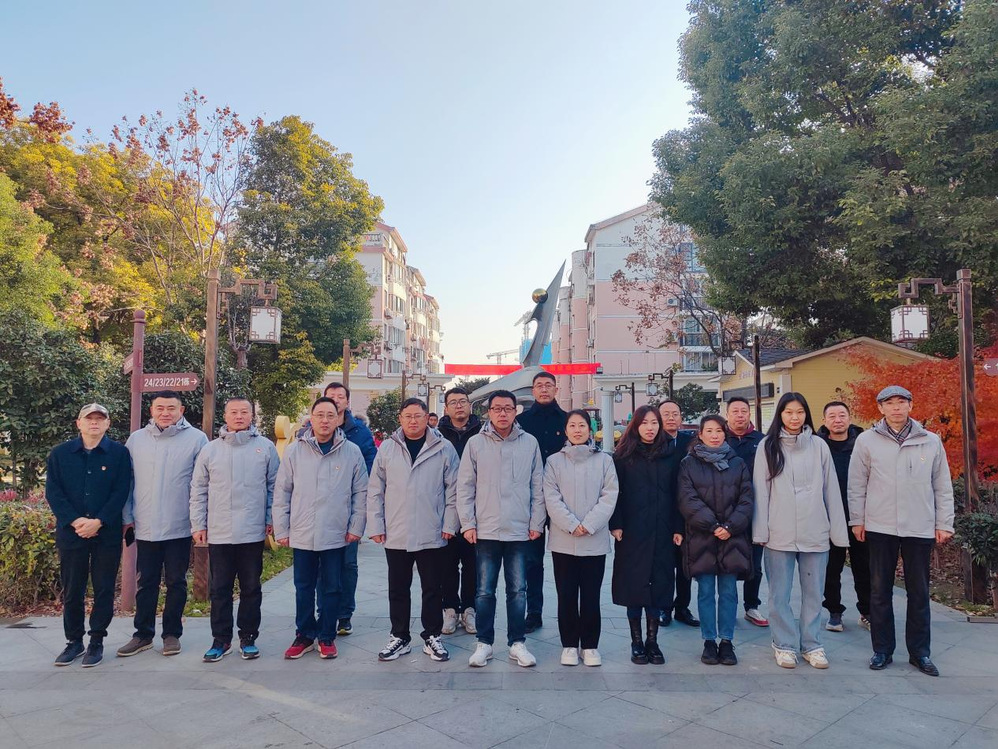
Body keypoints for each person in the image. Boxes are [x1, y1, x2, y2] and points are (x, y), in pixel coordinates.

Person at [849, 385, 954, 677]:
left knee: (918, 591)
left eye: (901, 402)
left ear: (910, 405)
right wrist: (857, 520)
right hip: (880, 525)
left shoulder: (930, 441)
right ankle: (882, 650)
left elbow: (942, 485)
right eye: (889, 403)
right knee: (879, 590)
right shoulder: (867, 441)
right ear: (880, 408)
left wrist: (944, 523)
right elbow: (857, 484)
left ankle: (920, 652)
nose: (896, 408)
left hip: (919, 526)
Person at [753, 393, 849, 669]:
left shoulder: (819, 446)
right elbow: (761, 491)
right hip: (779, 532)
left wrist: (838, 533)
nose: (794, 417)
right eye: (788, 412)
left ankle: (812, 644)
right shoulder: (768, 446)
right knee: (779, 594)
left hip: (814, 530)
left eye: (799, 412)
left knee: (814, 593)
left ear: (806, 414)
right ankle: (783, 644)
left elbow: (831, 490)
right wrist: (760, 531)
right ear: (780, 415)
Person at [274, 397, 367, 660]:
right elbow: (282, 492)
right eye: (320, 415)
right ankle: (304, 634)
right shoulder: (294, 451)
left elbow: (360, 493)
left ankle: (326, 636)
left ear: (338, 419)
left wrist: (356, 527)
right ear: (311, 418)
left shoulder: (351, 452)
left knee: (332, 587)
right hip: (302, 531)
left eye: (330, 415)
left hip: (336, 532)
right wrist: (282, 529)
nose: (325, 421)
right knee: (303, 586)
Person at [457, 390, 545, 668]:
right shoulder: (475, 443)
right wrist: (468, 523)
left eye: (508, 408)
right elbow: (465, 487)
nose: (503, 413)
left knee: (518, 590)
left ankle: (517, 643)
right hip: (486, 529)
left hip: (520, 530)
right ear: (489, 412)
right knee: (484, 590)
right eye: (497, 409)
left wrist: (536, 522)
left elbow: (538, 486)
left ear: (516, 411)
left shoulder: (529, 442)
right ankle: (484, 643)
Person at [368, 398, 460, 663]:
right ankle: (399, 636)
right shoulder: (388, 448)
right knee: (398, 587)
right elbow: (375, 490)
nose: (412, 421)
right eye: (407, 416)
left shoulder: (443, 447)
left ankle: (432, 635)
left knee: (432, 587)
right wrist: (376, 525)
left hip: (432, 530)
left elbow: (454, 490)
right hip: (396, 529)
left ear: (426, 417)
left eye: (418, 416)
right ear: (400, 418)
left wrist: (449, 524)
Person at [118, 391, 208, 659]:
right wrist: (127, 517)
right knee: (146, 582)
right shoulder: (136, 440)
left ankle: (171, 634)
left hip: (179, 524)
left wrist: (199, 522)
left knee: (176, 582)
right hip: (145, 524)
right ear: (151, 410)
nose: (165, 413)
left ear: (182, 410)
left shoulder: (197, 439)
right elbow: (127, 481)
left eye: (171, 408)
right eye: (160, 408)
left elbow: (202, 484)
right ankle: (142, 634)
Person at [190, 397, 280, 662]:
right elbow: (198, 489)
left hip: (252, 530)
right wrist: (199, 523)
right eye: (234, 412)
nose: (239, 416)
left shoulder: (265, 448)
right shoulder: (210, 450)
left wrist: (271, 518)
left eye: (244, 412)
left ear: (252, 415)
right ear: (225, 415)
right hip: (219, 531)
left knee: (251, 587)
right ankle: (221, 639)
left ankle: (248, 637)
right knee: (220, 589)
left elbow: (275, 486)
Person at [46, 403, 132, 668]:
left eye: (99, 418)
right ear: (79, 423)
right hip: (71, 533)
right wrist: (76, 521)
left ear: (107, 424)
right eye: (89, 418)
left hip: (105, 533)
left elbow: (121, 491)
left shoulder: (119, 453)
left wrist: (99, 521)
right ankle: (74, 641)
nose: (94, 422)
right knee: (73, 589)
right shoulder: (60, 454)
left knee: (104, 588)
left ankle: (96, 641)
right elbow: (54, 492)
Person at [544, 409, 618, 667]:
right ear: (565, 430)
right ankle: (568, 644)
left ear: (590, 429)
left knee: (590, 595)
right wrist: (572, 524)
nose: (577, 430)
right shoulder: (554, 461)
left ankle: (589, 645)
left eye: (582, 425)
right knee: (565, 595)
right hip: (563, 540)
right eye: (572, 425)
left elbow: (610, 495)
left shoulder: (604, 460)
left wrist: (588, 524)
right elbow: (551, 497)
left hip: (593, 540)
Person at [610, 405, 683, 666]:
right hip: (632, 531)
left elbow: (679, 494)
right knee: (634, 585)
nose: (650, 428)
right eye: (644, 423)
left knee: (659, 584)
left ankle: (653, 642)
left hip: (663, 530)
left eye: (654, 423)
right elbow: (614, 493)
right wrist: (616, 524)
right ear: (636, 426)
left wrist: (678, 527)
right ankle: (637, 642)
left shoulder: (671, 454)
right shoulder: (623, 455)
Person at [678, 414, 753, 666]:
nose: (714, 435)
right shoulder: (689, 464)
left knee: (729, 592)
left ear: (725, 433)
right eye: (709, 431)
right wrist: (712, 525)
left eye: (719, 430)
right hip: (702, 537)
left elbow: (746, 499)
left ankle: (727, 641)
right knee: (706, 591)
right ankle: (709, 640)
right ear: (700, 434)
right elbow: (687, 499)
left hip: (732, 537)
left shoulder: (737, 463)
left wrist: (730, 526)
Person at [322, 382, 377, 637]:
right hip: (318, 510)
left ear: (347, 402)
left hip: (348, 508)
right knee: (320, 567)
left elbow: (370, 467)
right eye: (331, 396)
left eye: (340, 396)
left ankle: (344, 615)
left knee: (347, 564)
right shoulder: (309, 431)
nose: (336, 399)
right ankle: (324, 612)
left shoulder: (360, 433)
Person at [516, 371, 568, 633]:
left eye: (549, 385)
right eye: (539, 386)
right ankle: (533, 612)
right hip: (531, 499)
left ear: (556, 389)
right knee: (532, 560)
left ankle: (567, 612)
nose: (544, 389)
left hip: (563, 499)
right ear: (533, 391)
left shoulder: (569, 420)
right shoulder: (521, 422)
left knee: (565, 558)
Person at [817, 401, 870, 632]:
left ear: (849, 418)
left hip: (861, 515)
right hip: (828, 516)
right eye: (832, 416)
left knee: (865, 567)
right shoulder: (817, 445)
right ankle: (834, 611)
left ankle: (867, 611)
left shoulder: (864, 443)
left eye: (842, 415)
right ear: (824, 420)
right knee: (831, 569)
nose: (837, 420)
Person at [437, 386, 483, 635]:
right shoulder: (437, 436)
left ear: (469, 405)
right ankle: (450, 609)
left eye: (463, 401)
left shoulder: (482, 432)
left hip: (476, 509)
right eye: (453, 402)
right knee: (447, 563)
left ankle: (469, 609)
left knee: (472, 563)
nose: (458, 406)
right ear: (446, 408)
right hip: (445, 508)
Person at [725, 396, 768, 627]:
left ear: (749, 413)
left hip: (755, 509)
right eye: (735, 411)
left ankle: (752, 606)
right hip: (726, 511)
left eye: (744, 411)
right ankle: (728, 606)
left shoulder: (762, 441)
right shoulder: (720, 438)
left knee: (754, 562)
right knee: (727, 562)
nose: (740, 415)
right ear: (727, 414)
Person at [658, 399, 699, 628]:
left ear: (681, 417)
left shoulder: (690, 442)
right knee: (664, 565)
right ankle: (664, 608)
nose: (671, 418)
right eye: (666, 413)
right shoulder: (653, 443)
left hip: (687, 512)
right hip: (662, 513)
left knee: (686, 566)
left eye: (675, 413)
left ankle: (682, 607)